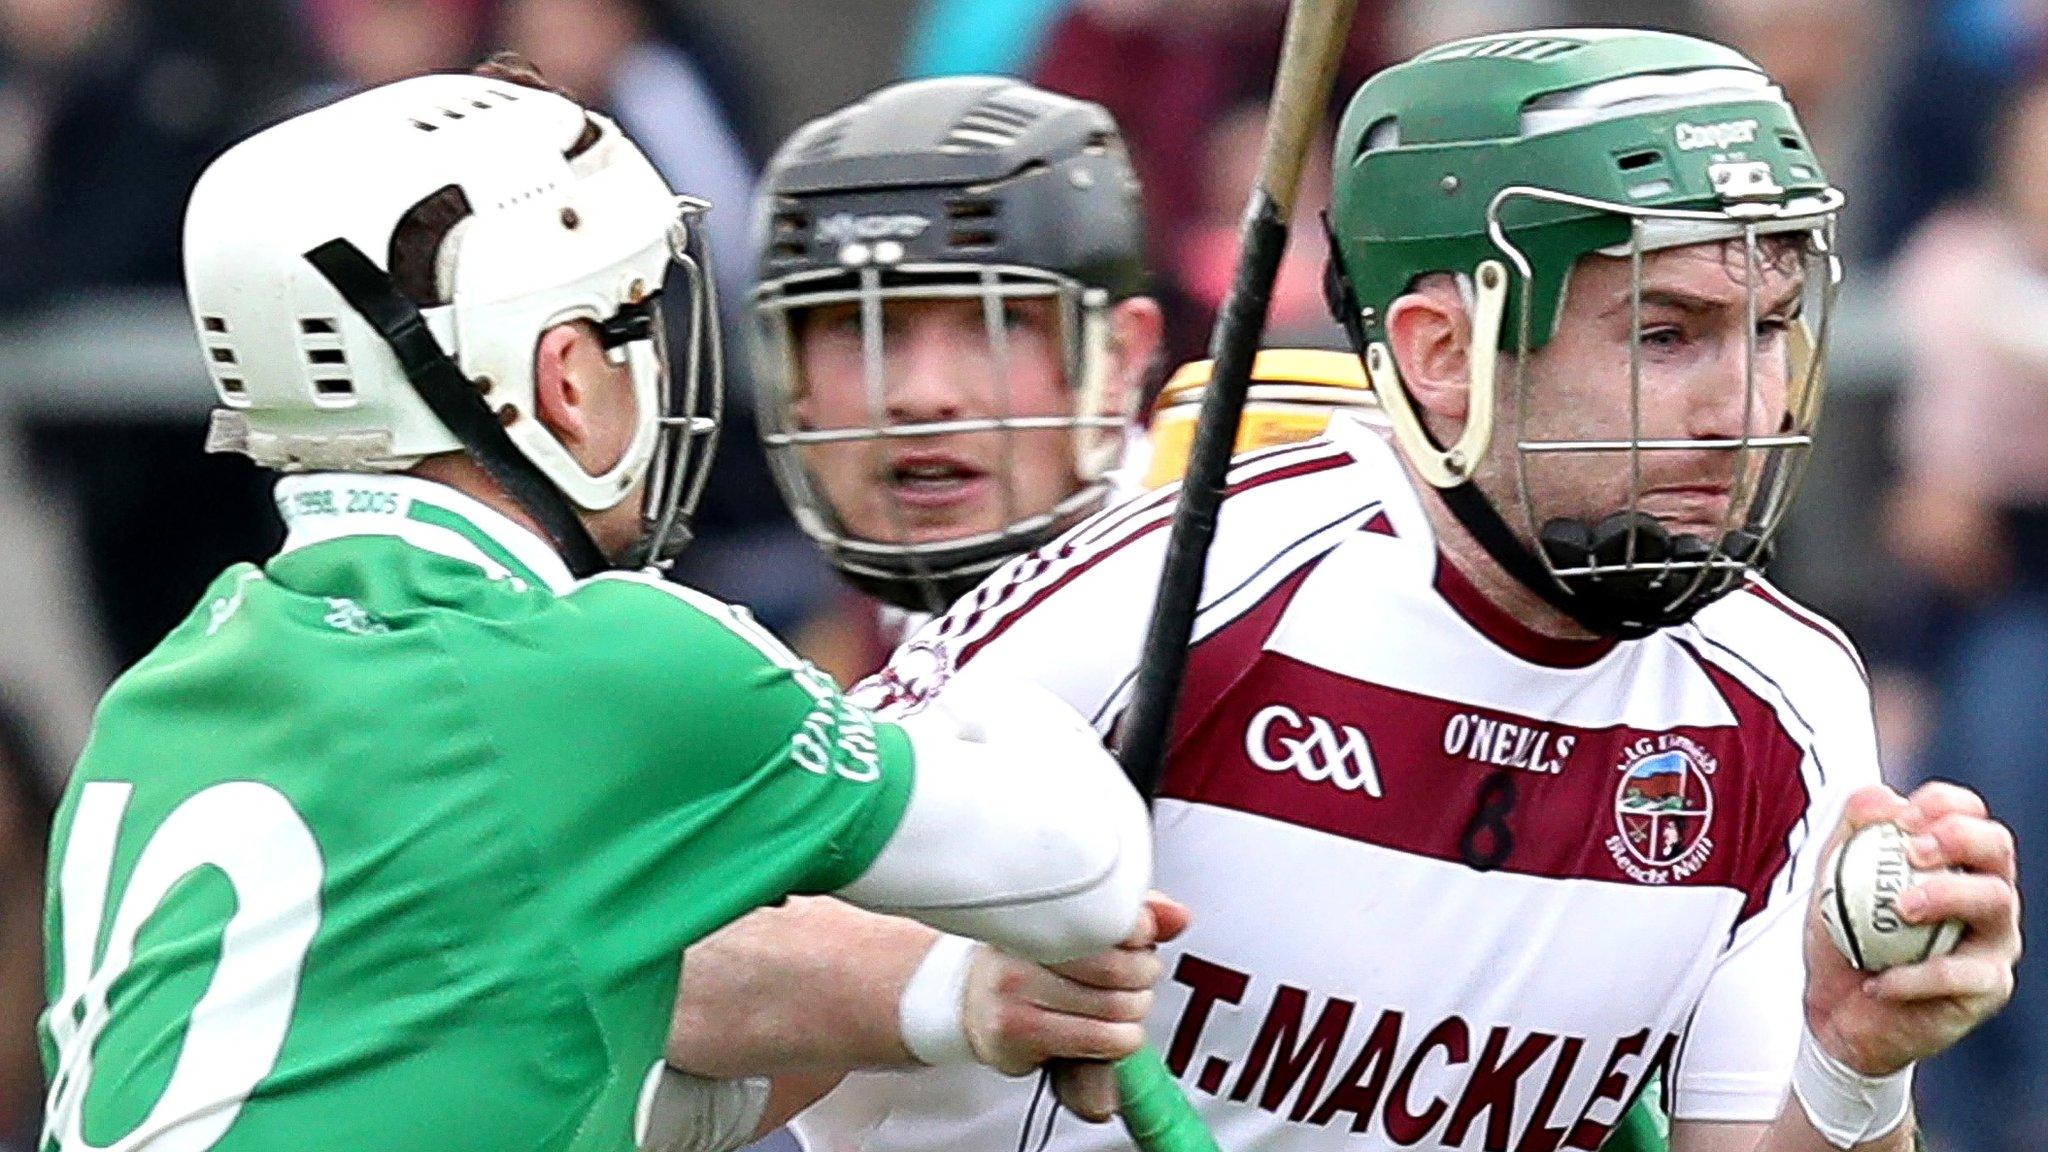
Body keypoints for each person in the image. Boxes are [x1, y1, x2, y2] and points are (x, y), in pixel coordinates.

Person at [681, 29, 2024, 1152]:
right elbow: (681, 967)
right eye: (1665, 334)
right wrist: (960, 993)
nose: (1743, 408)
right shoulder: (1162, 599)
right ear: (1444, 354)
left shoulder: (1788, 700)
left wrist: (1855, 1068)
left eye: (1771, 329)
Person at [36, 60, 1167, 1152]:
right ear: (563, 377)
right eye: (629, 325)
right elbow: (1085, 874)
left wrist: (959, 1004)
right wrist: (1037, 616)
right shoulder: (610, 662)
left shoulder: (163, 691)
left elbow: (550, 1078)